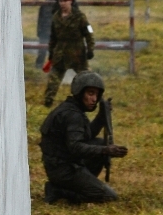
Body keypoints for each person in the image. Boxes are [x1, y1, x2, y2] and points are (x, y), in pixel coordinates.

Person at [39, 71, 128, 204]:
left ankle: (80, 184)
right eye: (90, 93)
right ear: (80, 93)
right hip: (63, 169)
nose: (94, 99)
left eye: (96, 95)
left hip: (63, 164)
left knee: (99, 144)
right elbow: (76, 147)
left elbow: (86, 136)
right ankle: (58, 191)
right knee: (109, 196)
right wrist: (106, 150)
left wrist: (101, 116)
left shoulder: (73, 109)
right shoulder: (72, 115)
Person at [43, 0, 94, 106]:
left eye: (65, 1)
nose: (62, 4)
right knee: (53, 80)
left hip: (77, 54)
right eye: (60, 1)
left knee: (87, 78)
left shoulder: (79, 16)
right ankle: (48, 101)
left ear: (70, 2)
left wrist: (90, 48)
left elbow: (89, 32)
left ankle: (95, 99)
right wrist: (51, 52)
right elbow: (53, 37)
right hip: (60, 54)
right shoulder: (56, 17)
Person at [35, 0, 55, 69]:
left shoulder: (58, 5)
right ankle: (39, 65)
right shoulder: (44, 4)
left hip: (54, 32)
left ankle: (52, 66)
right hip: (44, 31)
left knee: (53, 51)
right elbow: (40, 19)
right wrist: (39, 31)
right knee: (42, 50)